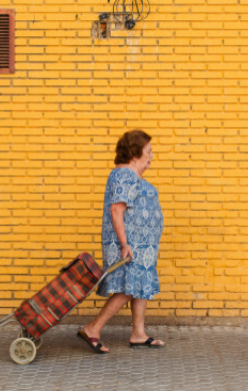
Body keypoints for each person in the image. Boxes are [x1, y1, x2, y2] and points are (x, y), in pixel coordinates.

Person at [77, 129, 166, 353]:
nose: (152, 156)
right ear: (135, 154)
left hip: (142, 246)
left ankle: (138, 334)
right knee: (129, 286)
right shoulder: (124, 175)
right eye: (149, 151)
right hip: (130, 244)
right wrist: (125, 244)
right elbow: (117, 209)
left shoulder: (131, 176)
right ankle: (92, 328)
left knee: (138, 286)